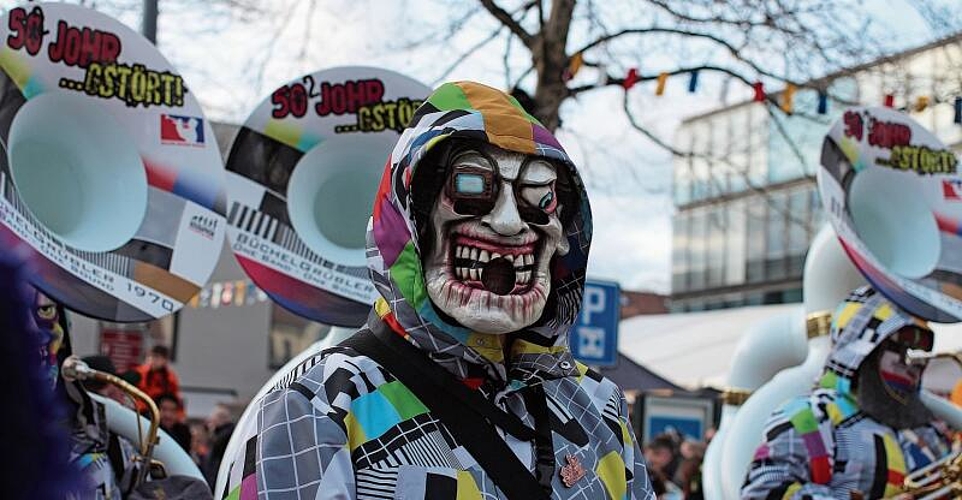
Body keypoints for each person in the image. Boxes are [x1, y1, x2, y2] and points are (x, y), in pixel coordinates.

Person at [223, 81, 653, 499]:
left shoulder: (600, 406)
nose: (507, 223)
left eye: (538, 198)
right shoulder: (317, 405)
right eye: (471, 187)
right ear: (409, 219)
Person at [742, 286, 955, 499]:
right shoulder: (810, 416)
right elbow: (763, 492)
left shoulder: (926, 429)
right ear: (865, 346)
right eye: (901, 348)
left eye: (920, 351)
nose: (915, 364)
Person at [202, 403, 235, 487]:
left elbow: (216, 447)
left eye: (213, 418)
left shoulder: (225, 434)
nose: (210, 421)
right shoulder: (224, 432)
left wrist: (211, 431)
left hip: (218, 477)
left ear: (220, 419)